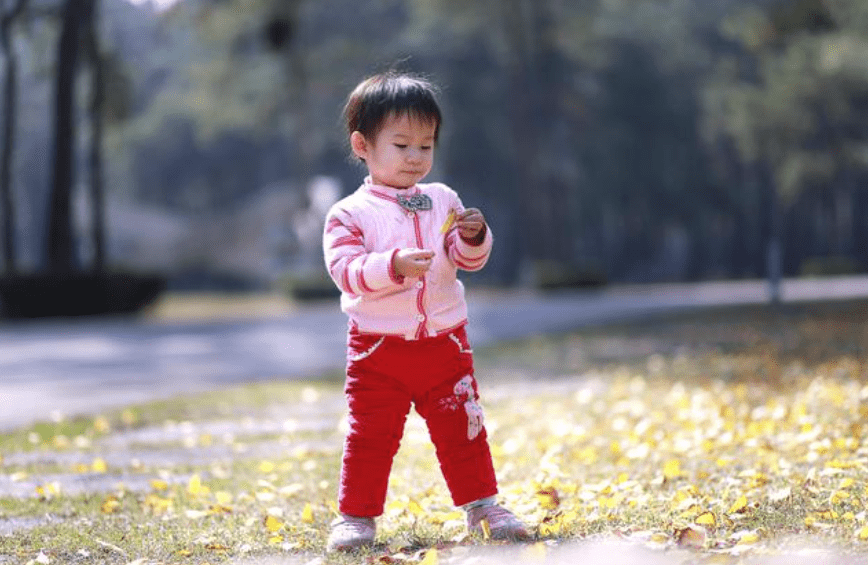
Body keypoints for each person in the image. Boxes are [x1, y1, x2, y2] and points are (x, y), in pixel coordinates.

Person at [322, 71, 530, 552]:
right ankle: (356, 517)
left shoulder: (443, 200)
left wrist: (473, 237)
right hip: (378, 348)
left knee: (464, 426)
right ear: (363, 145)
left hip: (445, 342)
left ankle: (482, 504)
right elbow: (345, 271)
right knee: (370, 435)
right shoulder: (349, 214)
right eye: (401, 145)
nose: (415, 157)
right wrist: (391, 265)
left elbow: (466, 260)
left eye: (425, 145)